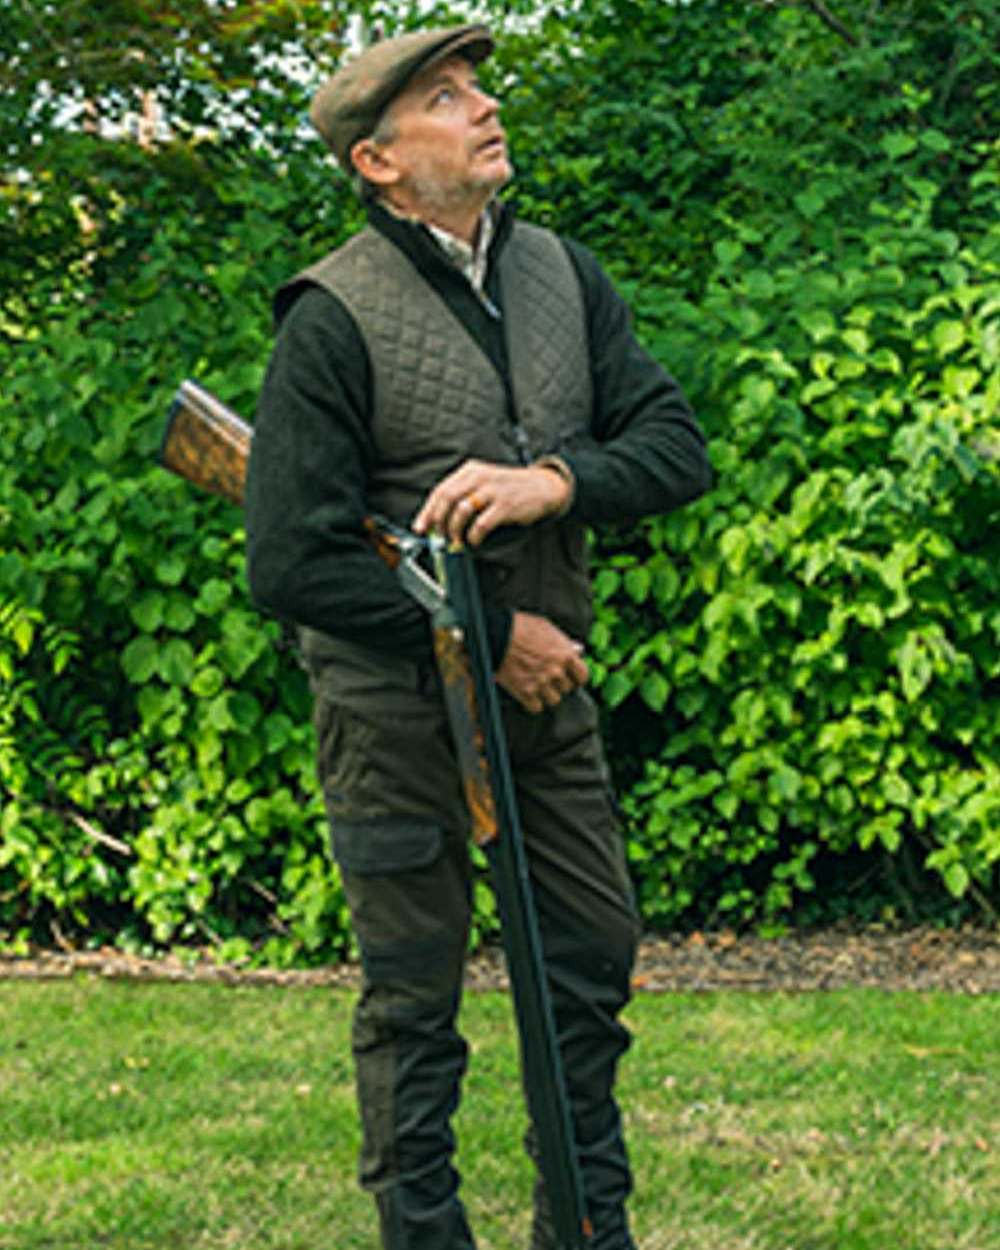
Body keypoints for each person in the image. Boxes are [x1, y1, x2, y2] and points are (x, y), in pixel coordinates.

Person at [245, 23, 711, 1250]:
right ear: (378, 163)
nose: (484, 106)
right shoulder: (329, 317)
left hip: (543, 705)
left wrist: (551, 482)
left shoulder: (563, 273)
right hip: (393, 718)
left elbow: (676, 448)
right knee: (414, 1002)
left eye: (475, 88)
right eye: (446, 99)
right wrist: (491, 629)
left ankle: (586, 1226)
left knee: (590, 966)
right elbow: (289, 561)